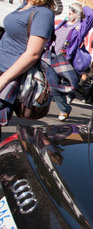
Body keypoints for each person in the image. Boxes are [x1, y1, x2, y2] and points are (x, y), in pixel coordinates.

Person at [0, 0, 55, 141]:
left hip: (7, 74)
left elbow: (33, 53)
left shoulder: (43, 13)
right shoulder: (25, 5)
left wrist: (3, 80)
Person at [51, 2, 93, 121]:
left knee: (62, 85)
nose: (70, 11)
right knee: (53, 85)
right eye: (70, 9)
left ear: (78, 14)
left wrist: (83, 6)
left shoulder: (80, 27)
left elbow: (92, 16)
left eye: (73, 10)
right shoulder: (63, 23)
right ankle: (64, 105)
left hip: (67, 61)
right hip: (53, 58)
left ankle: (66, 105)